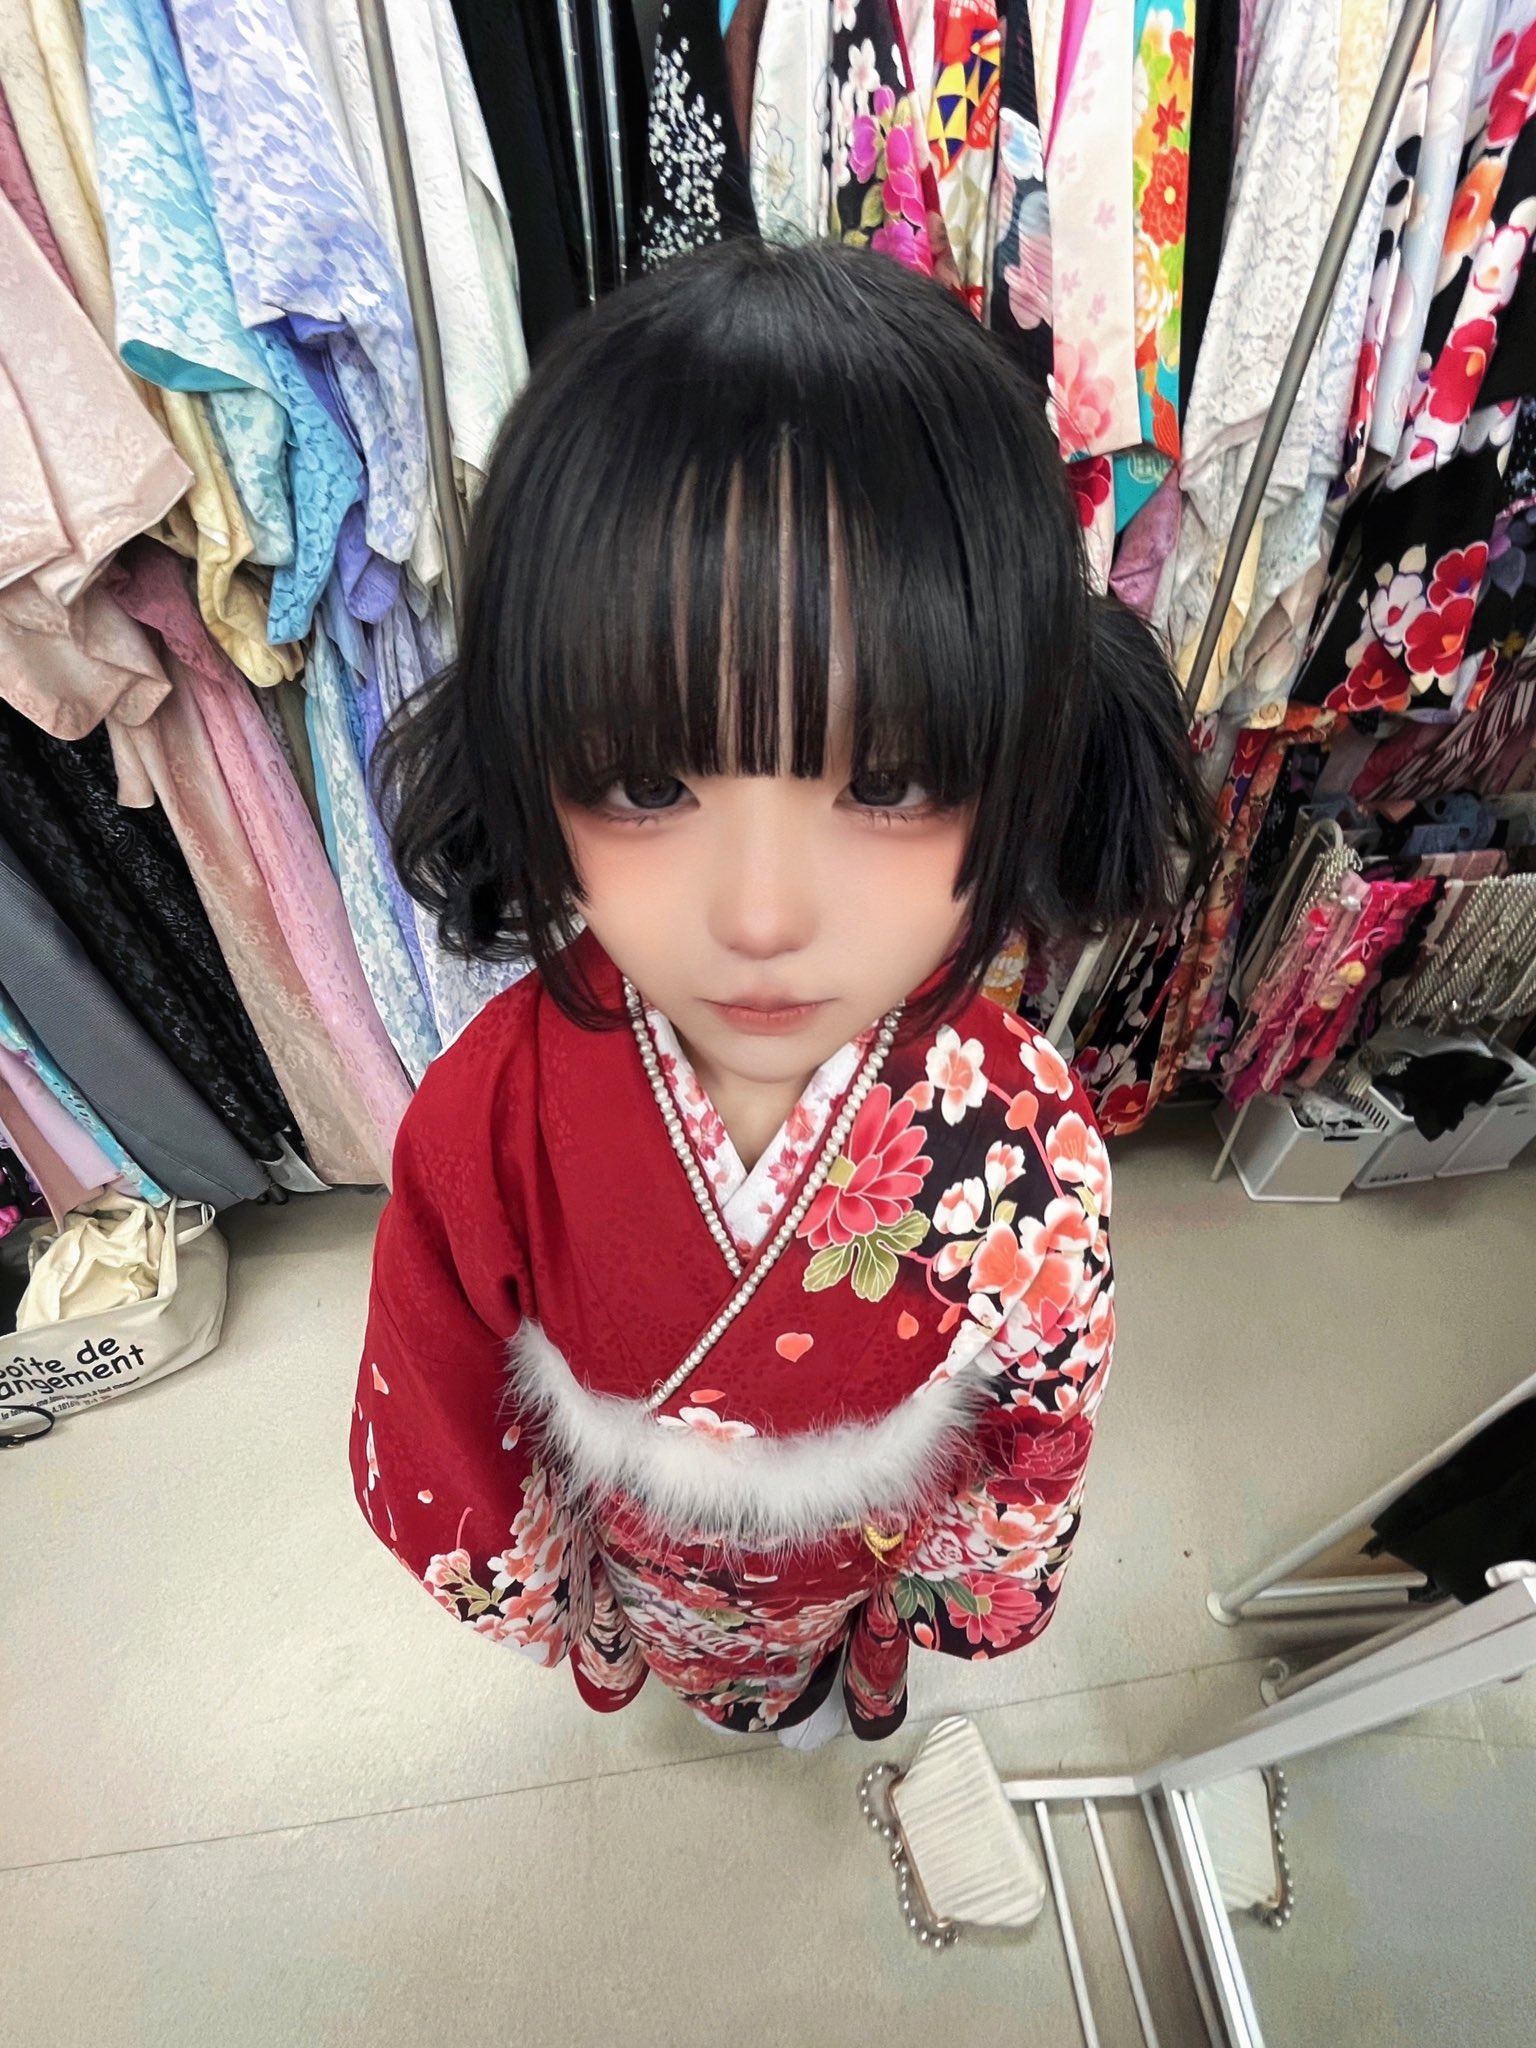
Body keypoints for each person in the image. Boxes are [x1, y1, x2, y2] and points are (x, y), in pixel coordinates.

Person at [349, 239, 1207, 1748]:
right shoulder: (488, 1116)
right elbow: (443, 1398)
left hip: (857, 1546)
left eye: (885, 783)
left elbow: (1036, 1413)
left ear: (1020, 754)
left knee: (819, 1648)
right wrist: (545, 1584)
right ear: (532, 762)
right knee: (698, 1667)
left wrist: (964, 1579)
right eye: (646, 783)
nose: (758, 917)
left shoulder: (1019, 1133)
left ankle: (813, 1678)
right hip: (642, 1552)